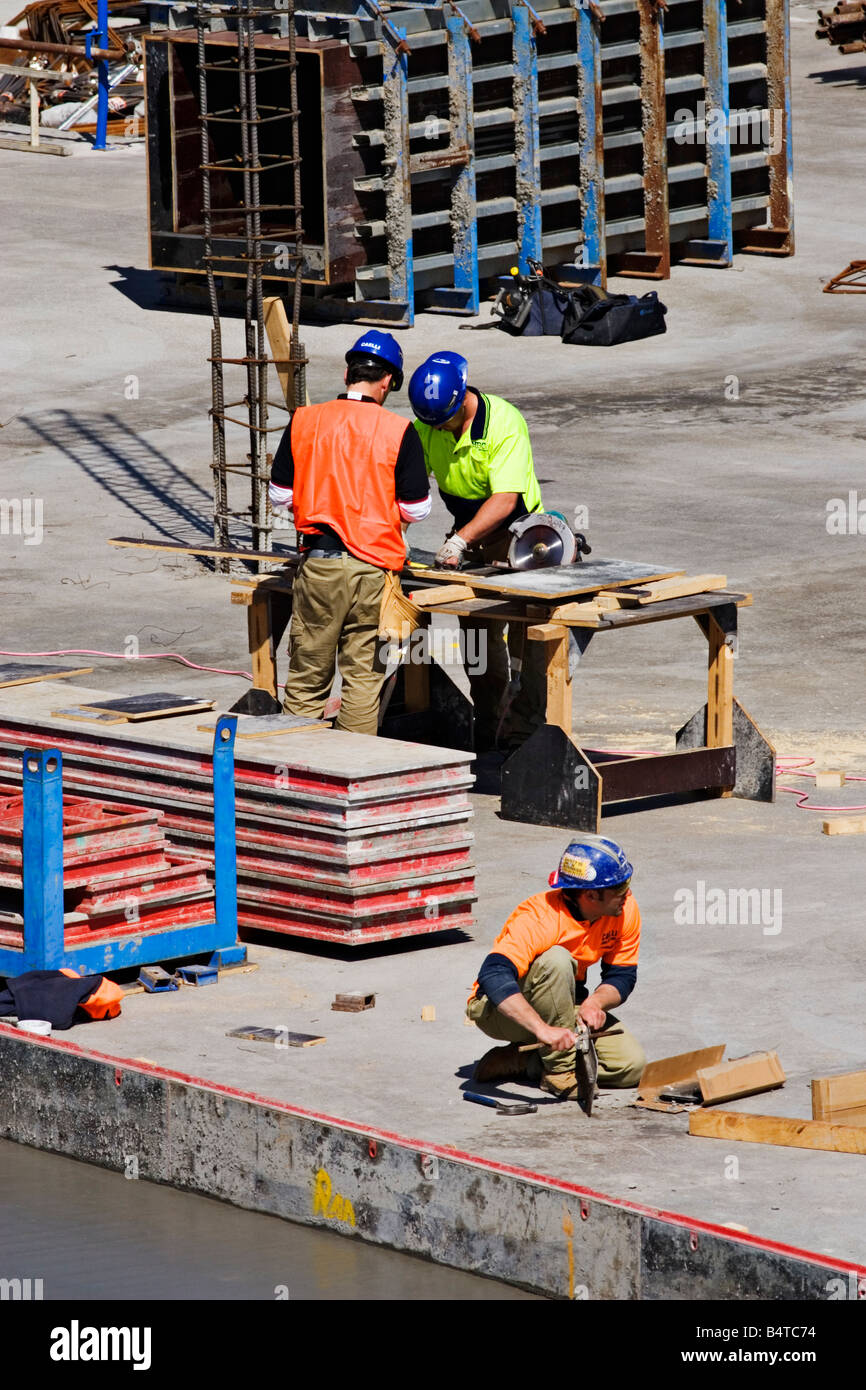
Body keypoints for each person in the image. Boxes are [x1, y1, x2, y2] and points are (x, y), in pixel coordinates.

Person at [268, 331, 431, 736]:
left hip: (319, 567)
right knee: (363, 681)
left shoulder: (305, 420)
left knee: (307, 679)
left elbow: (278, 496)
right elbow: (417, 508)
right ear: (388, 381)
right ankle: (353, 783)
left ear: (347, 373)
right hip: (374, 573)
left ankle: (295, 777)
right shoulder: (399, 430)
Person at [408, 351, 547, 752]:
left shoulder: (504, 422)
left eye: (445, 420)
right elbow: (401, 480)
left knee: (528, 647)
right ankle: (489, 730)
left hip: (522, 541)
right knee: (479, 648)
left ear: (463, 398)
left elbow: (504, 499)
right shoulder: (428, 426)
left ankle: (525, 736)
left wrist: (459, 541)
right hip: (471, 538)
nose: (438, 429)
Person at [466, 835, 646, 1100]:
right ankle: (558, 1074)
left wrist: (595, 1003)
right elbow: (493, 975)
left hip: (561, 1001)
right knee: (557, 960)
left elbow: (622, 975)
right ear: (591, 895)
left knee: (631, 1066)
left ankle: (524, 1061)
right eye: (620, 886)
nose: (627, 893)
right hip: (498, 1010)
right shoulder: (538, 917)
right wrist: (542, 1030)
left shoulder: (624, 910)